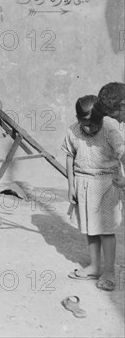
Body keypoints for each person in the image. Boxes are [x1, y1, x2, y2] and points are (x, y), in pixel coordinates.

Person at [63, 95, 125, 291]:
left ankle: (109, 272)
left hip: (107, 183)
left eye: (95, 123)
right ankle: (95, 266)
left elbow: (123, 152)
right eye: (85, 123)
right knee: (90, 228)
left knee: (106, 230)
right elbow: (69, 156)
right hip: (83, 183)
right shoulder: (73, 131)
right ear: (78, 118)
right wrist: (71, 185)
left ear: (102, 117)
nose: (90, 128)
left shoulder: (109, 130)